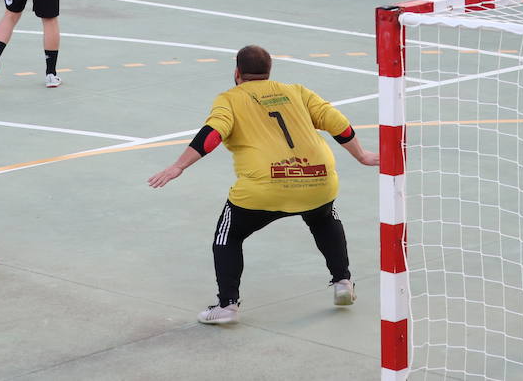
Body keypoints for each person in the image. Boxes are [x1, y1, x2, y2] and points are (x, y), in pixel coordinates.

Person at [146, 44, 378, 325]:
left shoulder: (229, 99)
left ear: (236, 73)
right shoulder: (297, 91)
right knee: (323, 217)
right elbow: (338, 124)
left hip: (265, 188)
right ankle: (342, 281)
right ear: (269, 72)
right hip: (318, 178)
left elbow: (212, 134)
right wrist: (362, 155)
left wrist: (178, 166)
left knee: (228, 235)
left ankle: (227, 305)